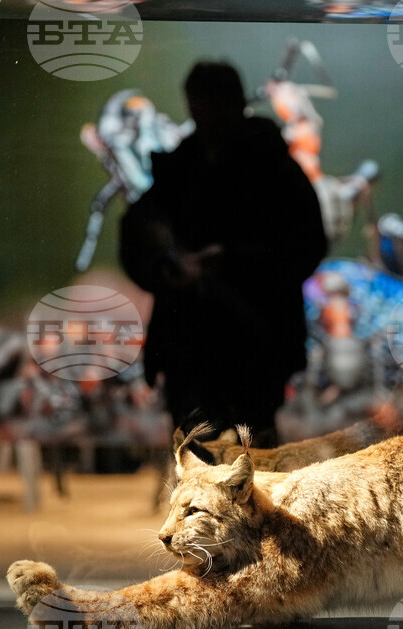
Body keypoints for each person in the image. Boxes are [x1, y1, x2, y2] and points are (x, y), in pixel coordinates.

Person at [120, 61, 327, 446]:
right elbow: (138, 234)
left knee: (259, 458)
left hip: (256, 339)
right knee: (199, 453)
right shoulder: (178, 171)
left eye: (213, 104)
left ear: (235, 103)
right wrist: (169, 266)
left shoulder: (273, 169)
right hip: (191, 344)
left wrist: (232, 260)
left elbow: (306, 244)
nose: (205, 115)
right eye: (199, 105)